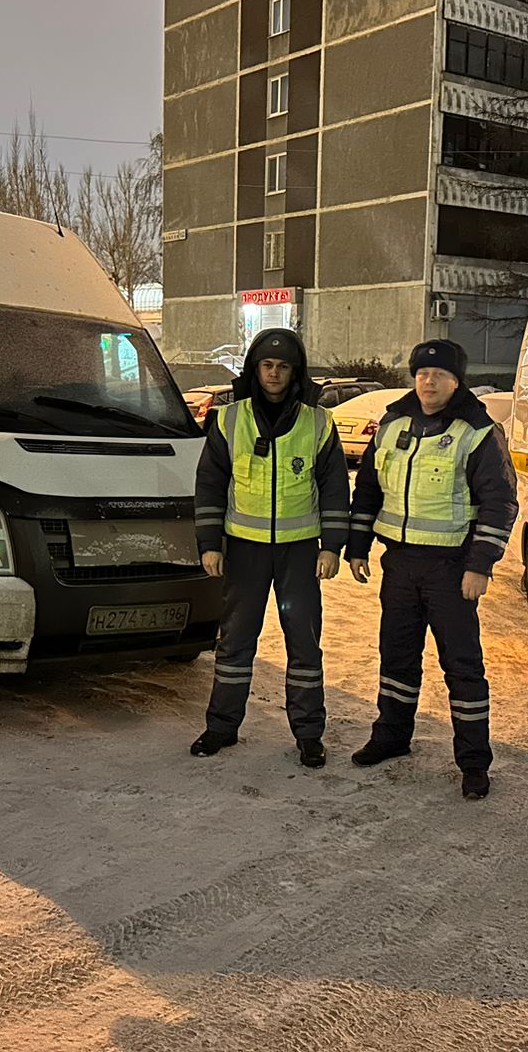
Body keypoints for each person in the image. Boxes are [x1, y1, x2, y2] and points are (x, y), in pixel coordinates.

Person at [346, 339, 518, 800]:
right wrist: (357, 546)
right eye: (422, 374)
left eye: (439, 375)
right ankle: (391, 737)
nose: (428, 382)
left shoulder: (477, 430)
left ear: (456, 381)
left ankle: (474, 762)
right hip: (399, 564)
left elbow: (499, 502)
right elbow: (367, 490)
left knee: (462, 667)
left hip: (451, 568)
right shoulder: (392, 423)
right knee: (397, 658)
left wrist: (480, 565)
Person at [191, 328, 349, 768]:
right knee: (235, 642)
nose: (274, 373)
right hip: (244, 551)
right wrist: (209, 544)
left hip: (300, 551)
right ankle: (221, 727)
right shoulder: (228, 419)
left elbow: (335, 488)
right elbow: (209, 485)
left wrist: (332, 546)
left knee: (304, 644)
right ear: (254, 369)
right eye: (266, 365)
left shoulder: (318, 422)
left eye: (282, 366)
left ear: (294, 371)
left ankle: (309, 735)